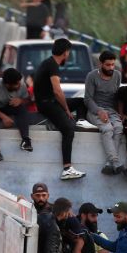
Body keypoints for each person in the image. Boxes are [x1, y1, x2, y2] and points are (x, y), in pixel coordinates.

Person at [34, 38, 84, 180]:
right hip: (47, 104)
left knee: (81, 102)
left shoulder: (49, 63)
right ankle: (67, 168)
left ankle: (80, 121)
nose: (68, 55)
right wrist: (67, 110)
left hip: (50, 101)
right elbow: (57, 91)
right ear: (65, 52)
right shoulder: (52, 66)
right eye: (69, 52)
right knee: (68, 129)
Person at [85, 51, 124, 175]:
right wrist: (99, 111)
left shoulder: (117, 75)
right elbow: (88, 99)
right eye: (108, 65)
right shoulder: (92, 76)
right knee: (107, 129)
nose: (111, 68)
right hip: (95, 110)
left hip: (111, 111)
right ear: (100, 64)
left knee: (118, 128)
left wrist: (121, 113)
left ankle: (109, 163)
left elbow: (117, 97)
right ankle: (115, 161)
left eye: (113, 65)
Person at [0, 67, 31, 161]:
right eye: (16, 84)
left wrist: (21, 100)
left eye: (19, 83)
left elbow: (27, 100)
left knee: (22, 109)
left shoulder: (22, 84)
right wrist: (3, 117)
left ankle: (26, 140)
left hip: (8, 108)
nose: (19, 86)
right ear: (7, 85)